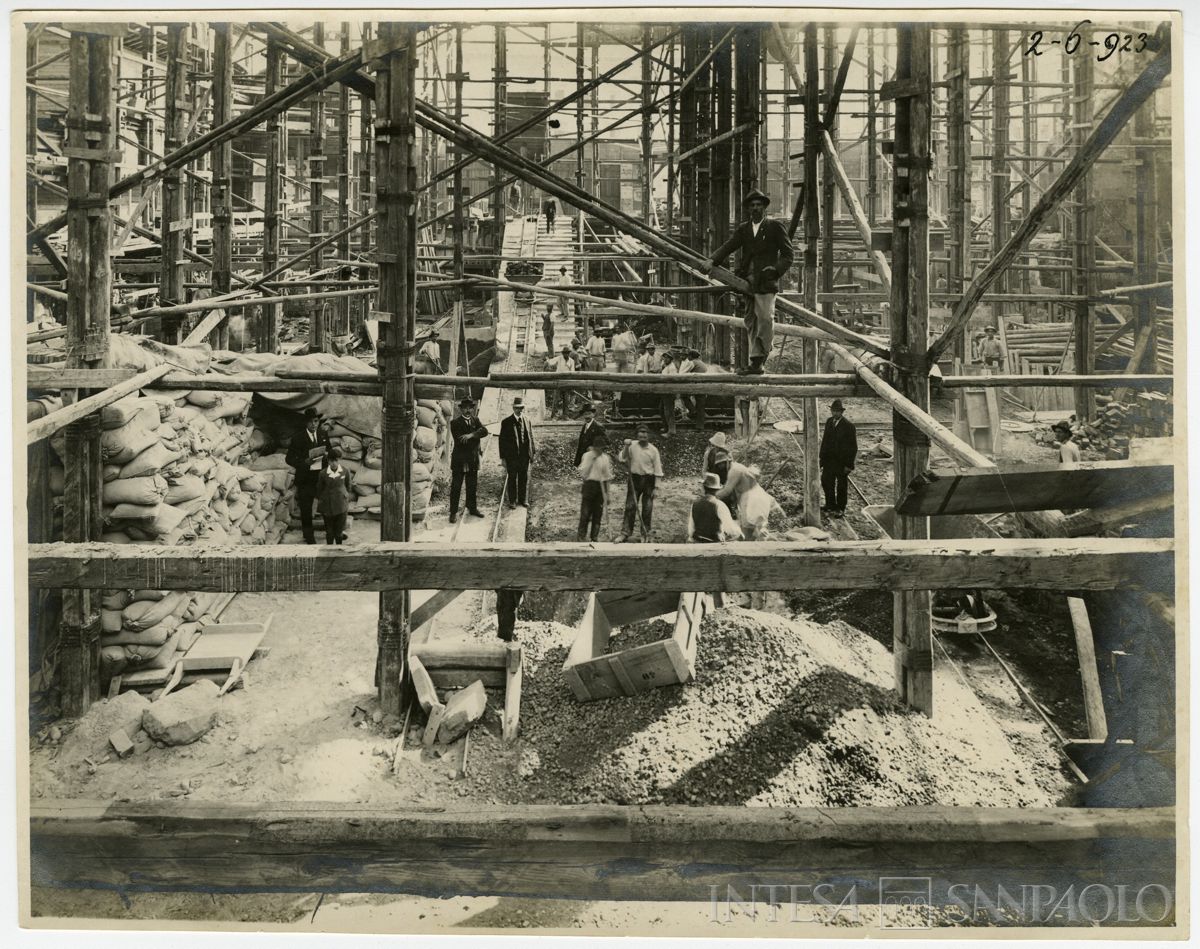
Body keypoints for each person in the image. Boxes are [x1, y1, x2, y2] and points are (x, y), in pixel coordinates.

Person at [705, 188, 795, 375]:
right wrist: (712, 260)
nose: (755, 208)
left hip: (766, 282)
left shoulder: (774, 227)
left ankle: (762, 354)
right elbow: (729, 246)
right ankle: (756, 363)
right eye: (752, 205)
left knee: (765, 319)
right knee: (751, 321)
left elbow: (788, 255)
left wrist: (775, 270)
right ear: (748, 209)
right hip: (748, 282)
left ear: (764, 207)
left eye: (759, 205)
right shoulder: (744, 229)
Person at [286, 407, 332, 544]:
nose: (314, 424)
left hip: (321, 477)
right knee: (306, 508)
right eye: (311, 422)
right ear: (306, 422)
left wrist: (327, 454)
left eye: (316, 421)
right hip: (305, 478)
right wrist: (304, 462)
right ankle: (309, 536)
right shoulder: (298, 438)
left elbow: (330, 450)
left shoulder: (323, 434)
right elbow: (289, 459)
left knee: (326, 505)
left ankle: (330, 531)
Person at [618, 424, 663, 542]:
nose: (643, 435)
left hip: (649, 480)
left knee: (647, 508)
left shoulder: (653, 450)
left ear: (649, 435)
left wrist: (657, 487)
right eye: (640, 433)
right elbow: (622, 458)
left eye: (645, 433)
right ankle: (625, 533)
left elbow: (658, 469)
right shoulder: (632, 445)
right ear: (637, 435)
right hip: (634, 479)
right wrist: (626, 446)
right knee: (630, 506)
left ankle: (645, 533)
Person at [448, 397, 488, 523]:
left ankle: (472, 508)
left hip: (472, 459)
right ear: (461, 409)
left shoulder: (476, 420)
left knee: (472, 485)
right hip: (460, 459)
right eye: (465, 408)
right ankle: (453, 512)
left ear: (472, 409)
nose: (468, 410)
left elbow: (485, 431)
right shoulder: (455, 423)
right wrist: (476, 436)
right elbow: (460, 440)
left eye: (470, 408)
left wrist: (471, 435)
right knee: (456, 486)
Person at [819, 399, 858, 518]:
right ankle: (830, 504)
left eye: (837, 411)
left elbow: (853, 447)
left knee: (841, 486)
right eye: (833, 411)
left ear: (842, 412)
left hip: (842, 462)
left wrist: (849, 465)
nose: (834, 413)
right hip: (829, 461)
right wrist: (821, 459)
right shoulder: (829, 422)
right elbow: (825, 441)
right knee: (826, 482)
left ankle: (840, 508)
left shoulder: (849, 426)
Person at [499, 396, 535, 507]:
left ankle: (522, 500)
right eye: (517, 408)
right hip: (512, 457)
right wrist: (503, 458)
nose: (519, 410)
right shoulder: (506, 422)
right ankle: (512, 501)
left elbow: (531, 437)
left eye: (521, 408)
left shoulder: (527, 420)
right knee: (512, 478)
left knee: (523, 478)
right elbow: (502, 441)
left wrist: (532, 453)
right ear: (513, 408)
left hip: (524, 456)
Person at [577, 433, 613, 541]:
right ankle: (581, 536)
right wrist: (592, 461)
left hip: (600, 487)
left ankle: (594, 537)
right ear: (594, 447)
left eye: (602, 448)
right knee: (585, 514)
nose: (600, 450)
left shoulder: (605, 458)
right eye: (598, 448)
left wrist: (608, 495)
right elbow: (583, 474)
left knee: (597, 515)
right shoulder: (587, 456)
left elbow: (607, 477)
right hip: (589, 485)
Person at [688, 472, 742, 543]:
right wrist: (739, 531)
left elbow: (691, 531)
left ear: (704, 488)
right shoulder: (719, 505)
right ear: (717, 490)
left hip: (698, 542)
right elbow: (730, 530)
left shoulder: (695, 504)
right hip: (715, 543)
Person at [316, 447, 353, 544]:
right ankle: (329, 548)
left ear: (339, 460)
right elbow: (319, 489)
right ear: (328, 461)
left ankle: (339, 548)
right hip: (327, 506)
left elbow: (348, 486)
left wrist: (344, 495)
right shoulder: (323, 473)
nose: (334, 463)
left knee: (339, 532)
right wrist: (324, 500)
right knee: (329, 532)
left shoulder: (345, 471)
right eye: (331, 461)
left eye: (336, 460)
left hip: (341, 505)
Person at [714, 452, 754, 520]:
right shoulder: (733, 467)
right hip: (746, 495)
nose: (720, 466)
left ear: (727, 461)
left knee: (748, 521)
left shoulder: (734, 470)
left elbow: (727, 491)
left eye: (721, 463)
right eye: (718, 464)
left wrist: (713, 496)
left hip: (750, 496)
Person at [545, 345, 575, 420]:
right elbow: (551, 362)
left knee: (566, 400)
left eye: (567, 353)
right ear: (563, 353)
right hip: (558, 381)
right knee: (556, 399)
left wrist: (571, 384)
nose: (566, 354)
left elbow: (572, 372)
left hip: (567, 382)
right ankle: (554, 415)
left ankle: (565, 415)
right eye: (565, 353)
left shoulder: (571, 361)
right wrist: (547, 360)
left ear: (569, 353)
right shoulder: (559, 358)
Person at [573, 402, 606, 467]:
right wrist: (578, 461)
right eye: (585, 414)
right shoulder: (585, 426)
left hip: (593, 459)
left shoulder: (598, 427)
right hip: (584, 457)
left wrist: (594, 448)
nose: (587, 416)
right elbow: (581, 444)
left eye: (589, 414)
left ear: (593, 414)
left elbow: (606, 442)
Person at [658, 351, 679, 429]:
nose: (665, 359)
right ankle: (666, 427)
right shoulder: (666, 366)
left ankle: (671, 430)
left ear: (671, 359)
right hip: (664, 391)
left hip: (669, 392)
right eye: (665, 357)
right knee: (662, 409)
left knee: (669, 411)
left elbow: (672, 380)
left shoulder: (672, 368)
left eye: (667, 358)